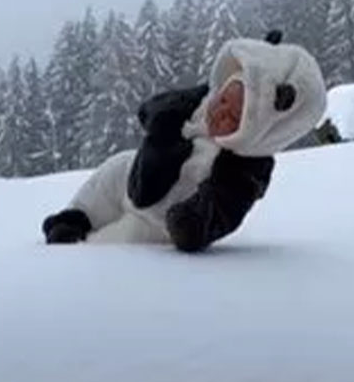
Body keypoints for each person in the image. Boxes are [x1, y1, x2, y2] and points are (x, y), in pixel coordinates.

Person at [42, 31, 327, 252]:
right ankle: (76, 218)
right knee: (112, 172)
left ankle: (79, 253)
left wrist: (193, 225)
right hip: (137, 174)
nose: (220, 111)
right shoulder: (200, 101)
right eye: (224, 99)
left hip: (156, 221)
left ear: (259, 131)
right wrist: (163, 118)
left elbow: (225, 207)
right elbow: (151, 110)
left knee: (124, 238)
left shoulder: (242, 167)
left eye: (234, 117)